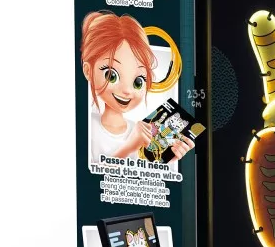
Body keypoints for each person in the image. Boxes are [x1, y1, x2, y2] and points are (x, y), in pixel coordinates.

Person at [80, 11, 194, 163]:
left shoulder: (139, 131)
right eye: (111, 75)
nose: (127, 91)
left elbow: (143, 172)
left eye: (138, 82)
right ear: (88, 71)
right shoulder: (86, 126)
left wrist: (168, 160)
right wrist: (130, 147)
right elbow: (93, 173)